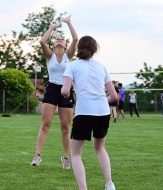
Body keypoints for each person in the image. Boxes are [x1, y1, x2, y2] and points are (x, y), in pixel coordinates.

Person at [61, 36, 117, 190]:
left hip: (84, 111)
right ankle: (109, 184)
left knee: (76, 153)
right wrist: (100, 101)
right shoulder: (101, 67)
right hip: (103, 111)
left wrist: (64, 93)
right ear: (95, 49)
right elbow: (114, 96)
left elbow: (65, 91)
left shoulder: (72, 66)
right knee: (100, 148)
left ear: (78, 48)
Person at [31, 15, 78, 169]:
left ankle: (66, 158)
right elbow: (42, 41)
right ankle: (37, 155)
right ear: (54, 44)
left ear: (65, 46)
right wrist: (52, 28)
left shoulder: (68, 55)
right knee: (45, 124)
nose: (59, 39)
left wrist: (69, 23)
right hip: (51, 89)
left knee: (65, 127)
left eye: (62, 39)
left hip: (65, 90)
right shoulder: (50, 56)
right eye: (57, 39)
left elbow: (76, 39)